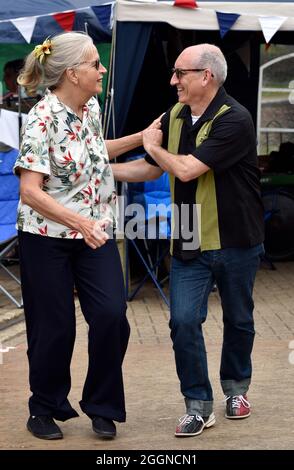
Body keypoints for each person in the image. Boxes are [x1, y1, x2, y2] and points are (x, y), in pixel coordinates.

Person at [112, 43, 265, 437]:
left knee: (239, 320)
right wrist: (100, 170)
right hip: (189, 236)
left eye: (180, 73)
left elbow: (185, 170)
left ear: (206, 77)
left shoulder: (236, 119)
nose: (173, 80)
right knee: (182, 321)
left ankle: (236, 388)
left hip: (236, 238)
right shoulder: (175, 114)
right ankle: (198, 403)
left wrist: (153, 148)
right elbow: (149, 169)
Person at [14, 31, 160, 441]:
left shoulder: (90, 107)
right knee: (54, 327)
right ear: (72, 73)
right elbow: (30, 191)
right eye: (96, 64)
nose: (102, 70)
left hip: (92, 234)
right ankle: (43, 407)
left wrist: (145, 136)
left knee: (113, 317)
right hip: (46, 237)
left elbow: (97, 150)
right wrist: (80, 223)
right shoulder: (42, 119)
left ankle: (102, 405)